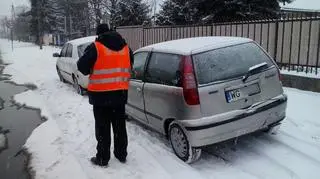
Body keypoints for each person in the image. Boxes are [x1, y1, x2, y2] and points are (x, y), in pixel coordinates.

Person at [77, 24, 134, 167]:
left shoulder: (96, 47)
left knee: (103, 128)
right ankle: (121, 154)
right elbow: (130, 65)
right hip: (120, 95)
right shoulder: (126, 48)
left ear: (99, 35)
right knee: (120, 126)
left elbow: (81, 67)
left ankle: (103, 158)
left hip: (101, 97)